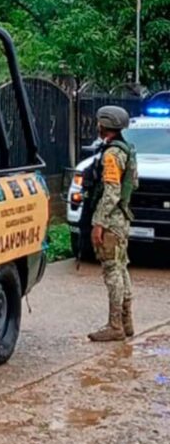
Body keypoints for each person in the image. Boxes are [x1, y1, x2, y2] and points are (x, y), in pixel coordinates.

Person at [86, 105, 138, 342]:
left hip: (111, 220)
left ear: (104, 124)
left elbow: (111, 191)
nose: (97, 125)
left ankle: (115, 325)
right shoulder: (126, 149)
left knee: (112, 270)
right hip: (122, 218)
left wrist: (99, 223)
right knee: (121, 268)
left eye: (99, 122)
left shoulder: (111, 155)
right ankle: (126, 322)